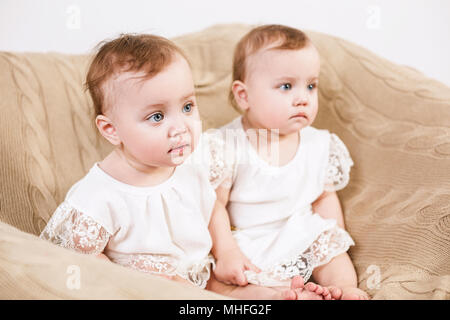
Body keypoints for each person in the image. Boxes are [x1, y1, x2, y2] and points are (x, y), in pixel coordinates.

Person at [39, 33, 328, 300]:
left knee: (244, 287)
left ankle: (276, 297)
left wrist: (226, 251)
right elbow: (83, 258)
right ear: (111, 129)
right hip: (152, 287)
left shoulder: (198, 159)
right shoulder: (99, 194)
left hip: (201, 271)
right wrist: (129, 281)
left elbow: (212, 206)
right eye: (156, 117)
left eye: (187, 107)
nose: (180, 128)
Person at [207, 24, 370, 300]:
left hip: (299, 232)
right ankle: (270, 294)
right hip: (246, 240)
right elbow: (213, 206)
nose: (302, 99)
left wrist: (334, 235)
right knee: (219, 277)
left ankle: (342, 289)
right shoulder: (226, 145)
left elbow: (324, 197)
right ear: (244, 95)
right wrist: (227, 252)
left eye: (311, 86)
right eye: (286, 86)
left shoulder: (319, 144)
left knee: (330, 247)